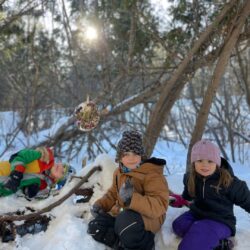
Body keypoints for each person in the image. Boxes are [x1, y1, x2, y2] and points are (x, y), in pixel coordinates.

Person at [87, 130, 169, 250]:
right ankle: (118, 243)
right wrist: (101, 205)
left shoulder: (151, 174)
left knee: (125, 222)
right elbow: (113, 193)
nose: (131, 158)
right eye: (126, 154)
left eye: (135, 154)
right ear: (120, 157)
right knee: (96, 226)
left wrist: (132, 199)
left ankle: (144, 244)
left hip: (148, 218)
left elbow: (160, 205)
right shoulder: (119, 172)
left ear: (141, 155)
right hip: (123, 215)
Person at [171, 139, 250, 250]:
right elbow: (188, 195)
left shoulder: (228, 182)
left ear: (217, 162)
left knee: (194, 241)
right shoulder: (191, 177)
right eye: (200, 161)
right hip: (198, 214)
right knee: (179, 225)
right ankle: (219, 243)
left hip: (221, 220)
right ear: (194, 163)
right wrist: (181, 199)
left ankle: (204, 238)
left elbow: (247, 200)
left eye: (210, 161)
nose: (204, 165)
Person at [0, 147, 70, 199]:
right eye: (63, 166)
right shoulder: (42, 157)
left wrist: (28, 190)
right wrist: (17, 171)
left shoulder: (42, 184)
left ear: (57, 180)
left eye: (63, 172)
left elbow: (22, 187)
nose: (61, 168)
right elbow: (20, 156)